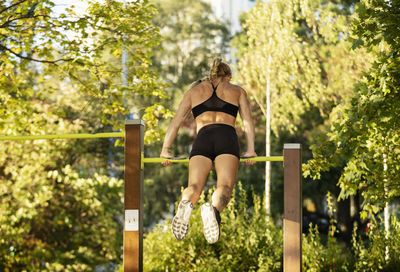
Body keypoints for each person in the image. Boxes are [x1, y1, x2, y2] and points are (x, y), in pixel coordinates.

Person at [160, 58, 257, 244]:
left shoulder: (193, 92)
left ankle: (186, 203)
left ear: (210, 75)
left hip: (202, 139)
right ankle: (213, 210)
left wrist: (165, 150)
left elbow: (176, 121)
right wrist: (250, 150)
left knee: (194, 186)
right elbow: (247, 122)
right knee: (225, 187)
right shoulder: (237, 91)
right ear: (227, 75)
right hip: (226, 138)